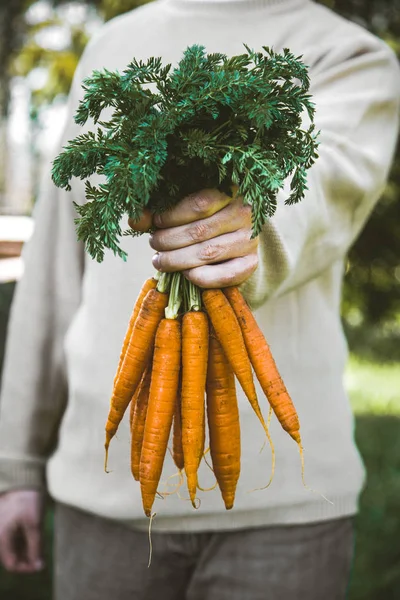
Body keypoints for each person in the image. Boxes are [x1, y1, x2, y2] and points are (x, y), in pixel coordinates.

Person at [0, 0, 399, 598]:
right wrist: (17, 463)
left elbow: (327, 192)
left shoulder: (349, 54)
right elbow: (54, 274)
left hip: (286, 515)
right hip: (102, 500)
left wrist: (243, 232)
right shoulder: (113, 45)